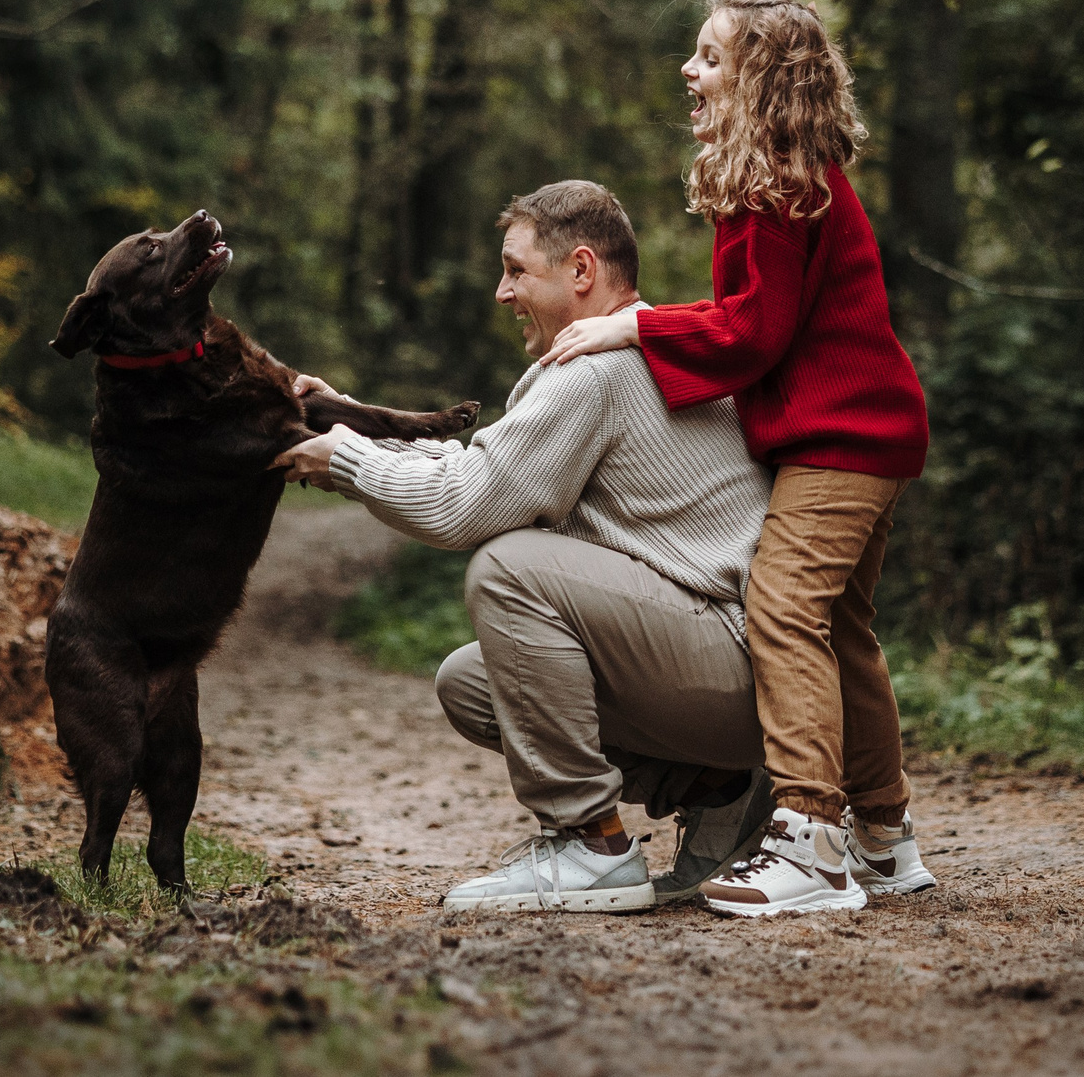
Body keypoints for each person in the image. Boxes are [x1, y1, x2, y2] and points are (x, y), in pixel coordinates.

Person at [273, 180, 779, 912]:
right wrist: (357, 428)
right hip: (732, 672)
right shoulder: (640, 348)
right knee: (473, 683)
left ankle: (590, 843)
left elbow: (462, 508)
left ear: (581, 271)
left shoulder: (597, 370)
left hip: (736, 667)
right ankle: (722, 789)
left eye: (516, 270)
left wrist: (345, 460)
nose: (502, 292)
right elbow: (485, 470)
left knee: (511, 570)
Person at [537, 0, 935, 916]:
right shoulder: (789, 178)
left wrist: (633, 326)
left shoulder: (775, 187)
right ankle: (884, 834)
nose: (690, 70)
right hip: (865, 431)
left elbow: (751, 333)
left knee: (784, 607)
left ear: (760, 79)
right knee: (841, 630)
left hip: (843, 440)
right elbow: (762, 322)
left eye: (710, 57)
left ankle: (809, 836)